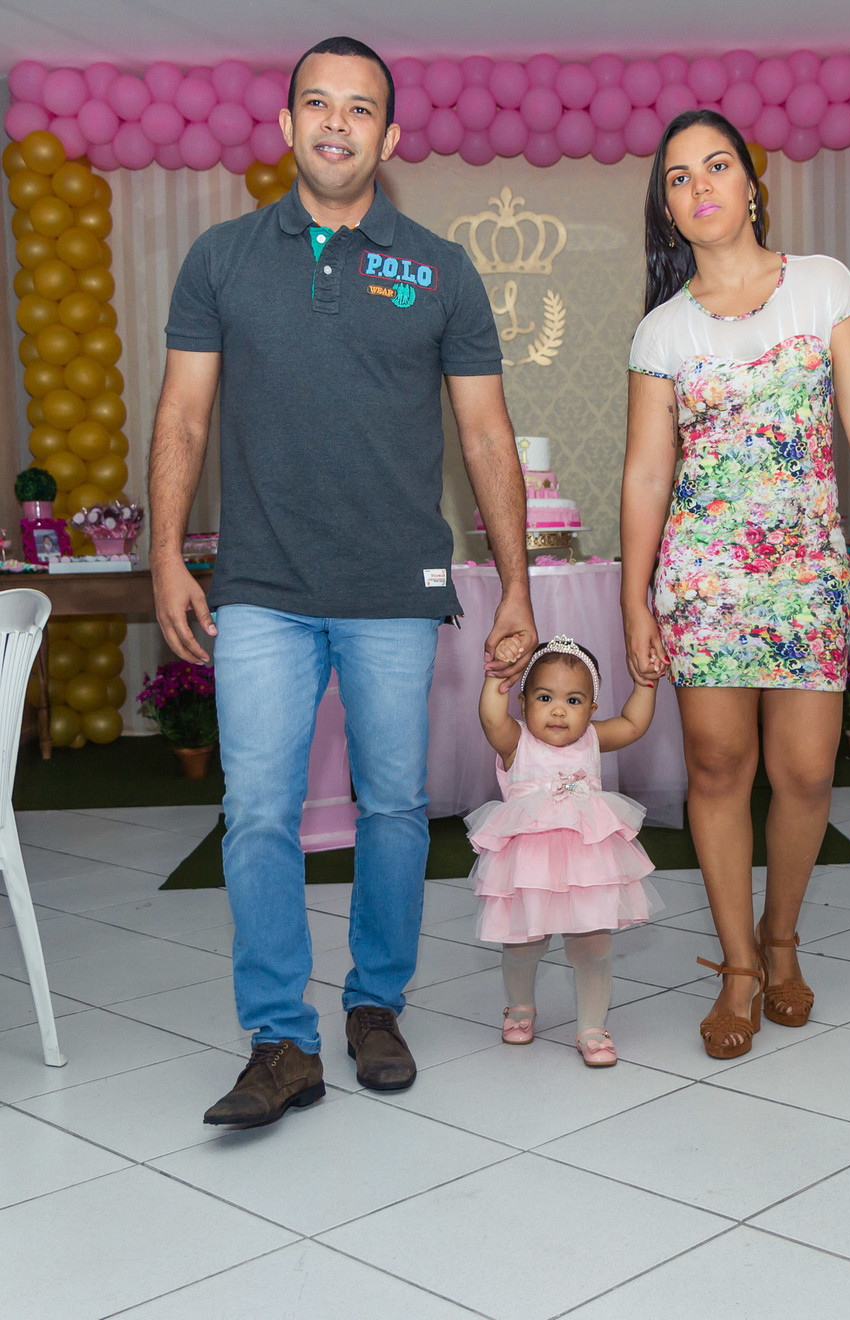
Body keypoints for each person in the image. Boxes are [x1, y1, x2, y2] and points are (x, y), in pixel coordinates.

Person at [149, 36, 535, 1127]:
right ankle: (280, 1040)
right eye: (316, 103)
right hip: (261, 584)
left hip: (393, 588)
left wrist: (516, 584)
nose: (335, 122)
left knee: (399, 810)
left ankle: (376, 1008)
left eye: (359, 109)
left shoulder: (441, 268)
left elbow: (487, 437)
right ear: (284, 126)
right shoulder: (220, 259)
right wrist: (167, 550)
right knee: (259, 812)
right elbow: (182, 416)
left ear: (390, 136)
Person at [621, 110, 850, 1060]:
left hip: (805, 571)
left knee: (805, 773)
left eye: (716, 166)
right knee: (716, 770)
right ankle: (740, 964)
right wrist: (636, 598)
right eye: (677, 177)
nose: (699, 185)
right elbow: (646, 476)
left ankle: (785, 939)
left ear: (752, 182)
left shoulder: (824, 286)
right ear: (667, 209)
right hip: (704, 579)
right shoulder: (661, 332)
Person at [467, 635, 659, 1066]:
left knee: (593, 945)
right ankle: (519, 1007)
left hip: (586, 864)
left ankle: (592, 1026)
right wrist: (496, 674)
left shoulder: (593, 738)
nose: (558, 710)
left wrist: (646, 683)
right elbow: (489, 717)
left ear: (591, 710)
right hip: (528, 867)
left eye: (573, 700)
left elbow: (632, 724)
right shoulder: (516, 742)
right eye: (544, 697)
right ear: (522, 704)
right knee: (523, 942)